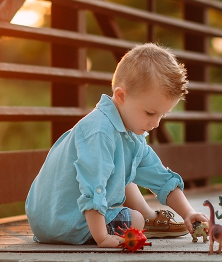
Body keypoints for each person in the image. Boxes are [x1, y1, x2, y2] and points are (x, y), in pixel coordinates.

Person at [25, 43, 208, 247]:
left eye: (162, 115)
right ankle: (130, 224)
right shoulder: (100, 132)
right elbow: (94, 188)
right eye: (150, 113)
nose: (156, 123)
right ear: (121, 96)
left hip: (51, 221)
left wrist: (188, 212)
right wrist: (102, 237)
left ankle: (145, 219)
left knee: (122, 169)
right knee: (136, 220)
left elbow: (161, 178)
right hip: (66, 221)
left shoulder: (129, 133)